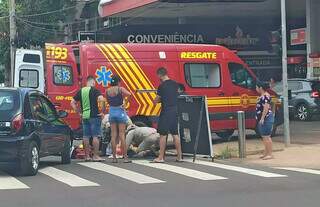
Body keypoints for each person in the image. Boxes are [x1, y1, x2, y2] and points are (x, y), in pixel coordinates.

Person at [71, 76, 105, 162]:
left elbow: (72, 102)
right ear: (93, 82)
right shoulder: (95, 90)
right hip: (94, 116)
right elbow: (101, 99)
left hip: (85, 116)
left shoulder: (81, 91)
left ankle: (87, 156)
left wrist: (79, 112)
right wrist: (102, 110)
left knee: (86, 136)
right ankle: (95, 156)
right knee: (95, 136)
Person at [153, 67, 183, 163]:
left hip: (166, 111)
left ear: (160, 75)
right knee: (175, 134)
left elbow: (156, 100)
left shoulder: (162, 86)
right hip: (175, 110)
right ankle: (179, 157)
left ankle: (161, 157)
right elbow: (175, 95)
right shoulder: (175, 84)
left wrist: (156, 99)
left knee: (163, 134)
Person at [106, 75, 131, 163]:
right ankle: (125, 157)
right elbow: (129, 94)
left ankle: (114, 157)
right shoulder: (120, 89)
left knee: (113, 135)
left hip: (112, 112)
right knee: (121, 135)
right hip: (120, 112)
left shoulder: (107, 91)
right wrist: (125, 103)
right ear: (118, 81)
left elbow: (108, 101)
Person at [256, 81, 274, 160]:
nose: (256, 89)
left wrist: (263, 118)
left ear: (260, 88)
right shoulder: (262, 96)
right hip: (262, 118)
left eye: (256, 87)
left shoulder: (266, 96)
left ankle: (270, 154)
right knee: (264, 136)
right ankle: (266, 153)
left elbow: (266, 107)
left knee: (267, 136)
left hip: (266, 118)